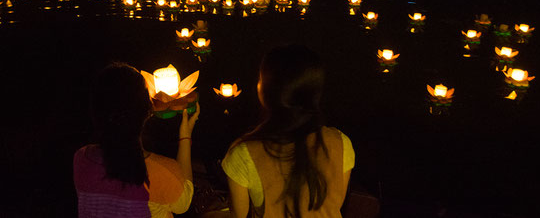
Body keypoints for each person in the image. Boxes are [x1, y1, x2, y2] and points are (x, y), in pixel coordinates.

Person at [222, 45, 355, 218]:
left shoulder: (243, 154)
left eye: (261, 79)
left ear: (268, 91)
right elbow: (334, 203)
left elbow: (237, 215)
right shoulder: (341, 143)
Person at [74, 62, 200, 218]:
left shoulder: (82, 159)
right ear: (148, 110)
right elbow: (184, 204)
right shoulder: (161, 172)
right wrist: (185, 136)